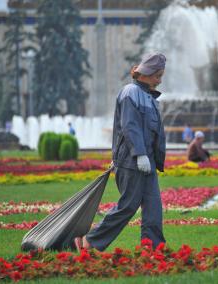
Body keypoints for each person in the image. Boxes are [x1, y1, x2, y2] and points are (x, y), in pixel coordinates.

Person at [75, 53, 167, 251]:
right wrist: (140, 154)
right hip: (133, 161)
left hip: (146, 162)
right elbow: (129, 126)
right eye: (157, 76)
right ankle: (90, 241)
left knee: (153, 208)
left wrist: (150, 158)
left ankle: (154, 249)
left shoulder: (149, 97)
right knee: (128, 206)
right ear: (146, 73)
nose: (159, 81)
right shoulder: (130, 92)